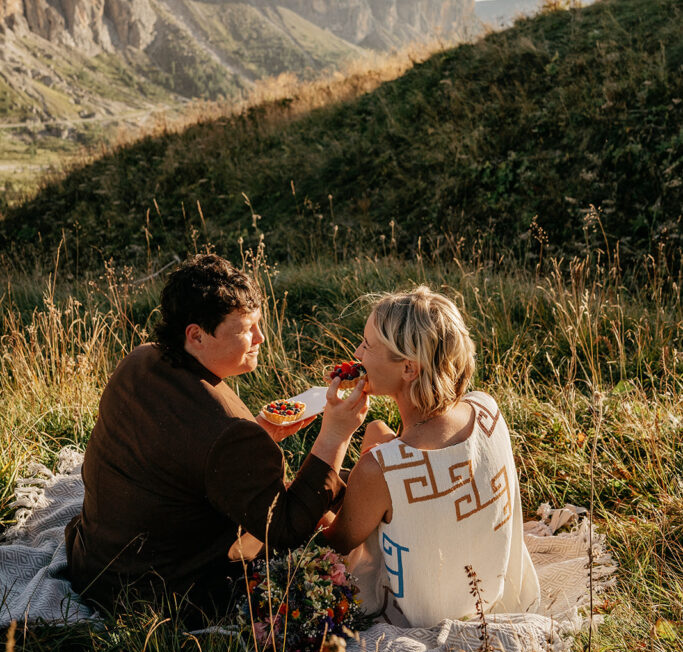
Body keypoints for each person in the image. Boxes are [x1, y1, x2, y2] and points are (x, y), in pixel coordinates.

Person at [65, 254, 368, 618]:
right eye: (245, 329)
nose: (261, 337)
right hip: (159, 595)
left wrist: (257, 437)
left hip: (93, 564)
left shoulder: (140, 360)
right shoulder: (229, 432)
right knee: (337, 497)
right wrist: (334, 435)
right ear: (195, 335)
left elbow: (181, 449)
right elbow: (285, 529)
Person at [324, 286, 540, 627]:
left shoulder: (377, 468)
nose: (357, 352)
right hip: (496, 589)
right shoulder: (486, 408)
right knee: (379, 430)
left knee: (329, 515)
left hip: (424, 618)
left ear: (409, 369)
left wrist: (336, 434)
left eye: (367, 345)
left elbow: (335, 544)